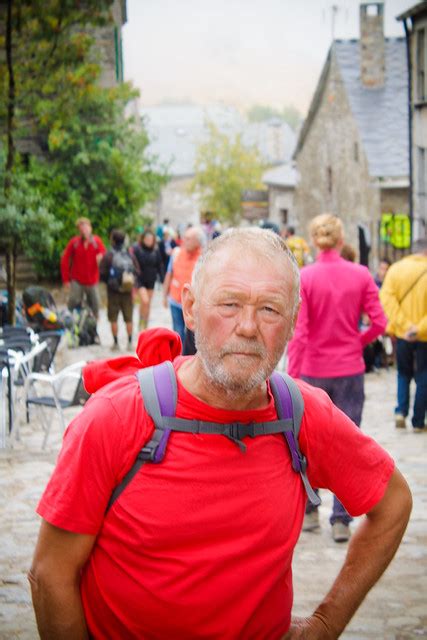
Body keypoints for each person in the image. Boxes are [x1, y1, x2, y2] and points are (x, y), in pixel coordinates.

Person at [29, 228, 412, 640]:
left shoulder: (302, 415)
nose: (248, 327)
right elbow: (50, 574)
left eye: (269, 309)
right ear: (190, 308)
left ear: (294, 322)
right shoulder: (117, 417)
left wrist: (325, 624)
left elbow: (393, 503)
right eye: (229, 304)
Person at [287, 214, 387, 542]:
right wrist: (354, 342)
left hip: (314, 368)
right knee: (347, 442)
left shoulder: (306, 276)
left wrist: (293, 374)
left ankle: (311, 510)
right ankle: (341, 519)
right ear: (341, 240)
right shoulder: (360, 275)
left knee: (310, 441)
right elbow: (379, 322)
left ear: (315, 241)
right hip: (348, 369)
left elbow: (300, 332)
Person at [380, 237, 427, 431]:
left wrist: (404, 325)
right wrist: (419, 327)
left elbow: (386, 298)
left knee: (403, 373)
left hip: (402, 334)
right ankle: (418, 420)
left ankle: (400, 411)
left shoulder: (396, 270)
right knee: (424, 375)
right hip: (424, 335)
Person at [163, 226, 204, 345]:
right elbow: (169, 274)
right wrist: (164, 296)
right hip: (175, 300)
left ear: (198, 241)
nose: (184, 241)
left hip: (194, 303)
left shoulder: (204, 257)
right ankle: (179, 359)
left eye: (189, 239)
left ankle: (190, 359)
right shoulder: (176, 253)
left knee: (193, 334)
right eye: (184, 238)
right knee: (178, 332)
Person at [60, 217, 106, 319]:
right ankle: (70, 321)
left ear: (90, 228)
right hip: (77, 279)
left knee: (95, 304)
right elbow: (65, 260)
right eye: (81, 228)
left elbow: (104, 254)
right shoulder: (74, 242)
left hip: (92, 280)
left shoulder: (96, 242)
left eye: (86, 227)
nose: (84, 230)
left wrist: (101, 257)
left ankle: (93, 327)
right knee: (73, 301)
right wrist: (66, 279)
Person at [99, 230, 136, 351]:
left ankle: (115, 344)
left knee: (113, 318)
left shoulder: (109, 255)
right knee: (129, 318)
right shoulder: (129, 254)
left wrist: (110, 283)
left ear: (113, 240)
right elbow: (136, 270)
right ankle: (130, 343)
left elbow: (102, 273)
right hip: (127, 291)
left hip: (113, 292)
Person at [133, 230, 165, 330]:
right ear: (143, 239)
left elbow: (160, 265)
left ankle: (144, 325)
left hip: (151, 280)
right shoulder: (137, 249)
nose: (149, 241)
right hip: (140, 280)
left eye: (151, 239)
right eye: (147, 239)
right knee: (145, 301)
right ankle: (141, 322)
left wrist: (163, 279)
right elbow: (133, 264)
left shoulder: (156, 250)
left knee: (147, 304)